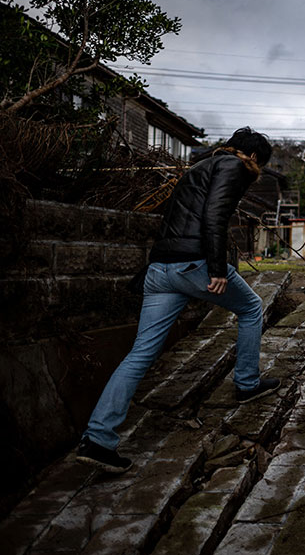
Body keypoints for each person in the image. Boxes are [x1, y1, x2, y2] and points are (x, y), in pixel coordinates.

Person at [76, 127, 279, 473]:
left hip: (161, 271)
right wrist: (217, 268)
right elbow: (214, 216)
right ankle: (247, 383)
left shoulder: (198, 168)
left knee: (140, 353)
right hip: (195, 264)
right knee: (251, 307)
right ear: (254, 157)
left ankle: (97, 438)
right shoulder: (233, 167)